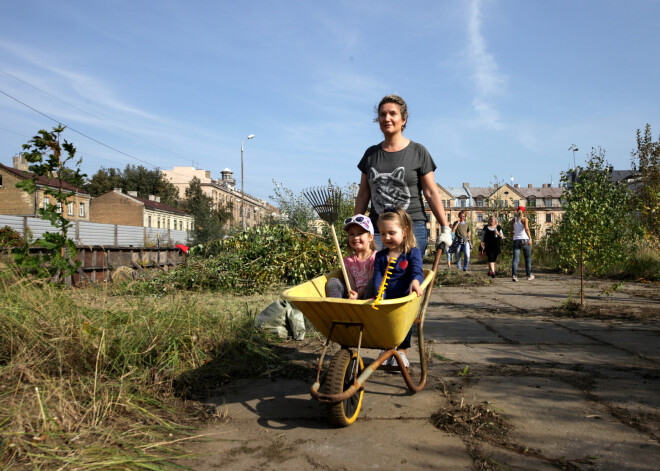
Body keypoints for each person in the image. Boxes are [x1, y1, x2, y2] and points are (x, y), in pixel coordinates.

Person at [354, 94, 452, 256]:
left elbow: (430, 192)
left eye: (393, 113)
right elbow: (364, 194)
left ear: (403, 119)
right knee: (379, 275)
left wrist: (445, 227)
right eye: (382, 114)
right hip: (378, 230)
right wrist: (357, 225)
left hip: (411, 228)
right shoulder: (371, 155)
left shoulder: (418, 152)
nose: (387, 118)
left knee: (406, 275)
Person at [372, 208, 424, 368]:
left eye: (391, 233)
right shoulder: (380, 256)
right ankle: (387, 349)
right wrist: (380, 295)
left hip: (404, 299)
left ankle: (401, 351)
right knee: (383, 324)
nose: (386, 237)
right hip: (386, 299)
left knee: (404, 324)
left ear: (405, 231)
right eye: (382, 233)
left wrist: (416, 281)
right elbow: (378, 277)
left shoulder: (411, 253)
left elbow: (417, 270)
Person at [326, 215, 377, 299]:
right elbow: (351, 286)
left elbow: (371, 284)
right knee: (332, 282)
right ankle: (337, 308)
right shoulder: (347, 261)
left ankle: (364, 309)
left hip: (370, 298)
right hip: (354, 297)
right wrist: (353, 295)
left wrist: (359, 295)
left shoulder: (376, 258)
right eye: (351, 234)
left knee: (372, 283)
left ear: (370, 237)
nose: (356, 237)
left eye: (360, 233)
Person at [510, 206, 534, 281]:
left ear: (517, 212)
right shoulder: (525, 219)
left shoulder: (513, 220)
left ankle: (514, 276)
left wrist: (513, 238)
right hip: (525, 240)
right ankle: (529, 275)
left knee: (515, 259)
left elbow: (511, 231)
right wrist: (530, 238)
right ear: (523, 212)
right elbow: (526, 229)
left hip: (516, 240)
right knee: (527, 258)